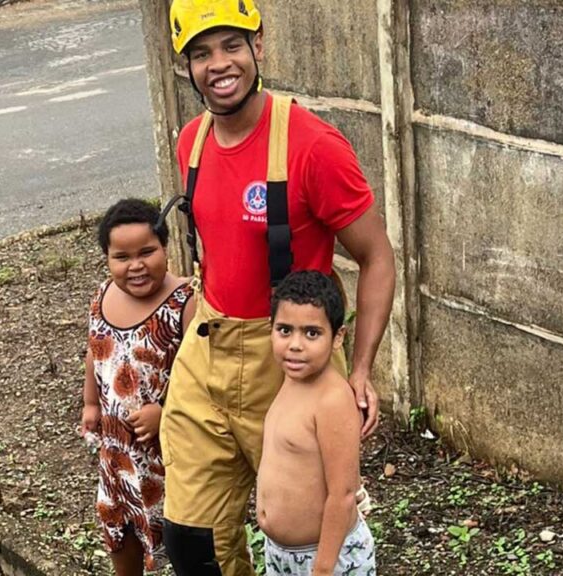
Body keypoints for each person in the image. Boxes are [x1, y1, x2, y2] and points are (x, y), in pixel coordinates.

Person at [159, 1, 396, 574]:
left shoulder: (314, 146)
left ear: (259, 45)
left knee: (309, 530)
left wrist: (360, 367)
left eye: (232, 45)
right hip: (207, 349)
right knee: (190, 539)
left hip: (287, 361)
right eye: (201, 53)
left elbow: (377, 256)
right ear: (185, 66)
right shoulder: (191, 141)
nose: (219, 64)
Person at [81, 198, 195, 575]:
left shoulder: (185, 303)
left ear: (165, 247)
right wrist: (91, 403)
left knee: (179, 537)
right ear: (107, 259)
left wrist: (165, 412)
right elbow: (95, 351)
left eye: (147, 251)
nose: (136, 265)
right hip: (116, 450)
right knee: (119, 526)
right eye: (122, 257)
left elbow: (202, 377)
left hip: (167, 452)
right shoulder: (102, 297)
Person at [258, 271, 376, 576]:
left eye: (312, 333)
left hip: (325, 559)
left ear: (337, 337)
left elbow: (343, 494)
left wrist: (322, 569)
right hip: (280, 555)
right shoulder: (290, 378)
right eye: (284, 330)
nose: (295, 345)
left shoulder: (332, 400)